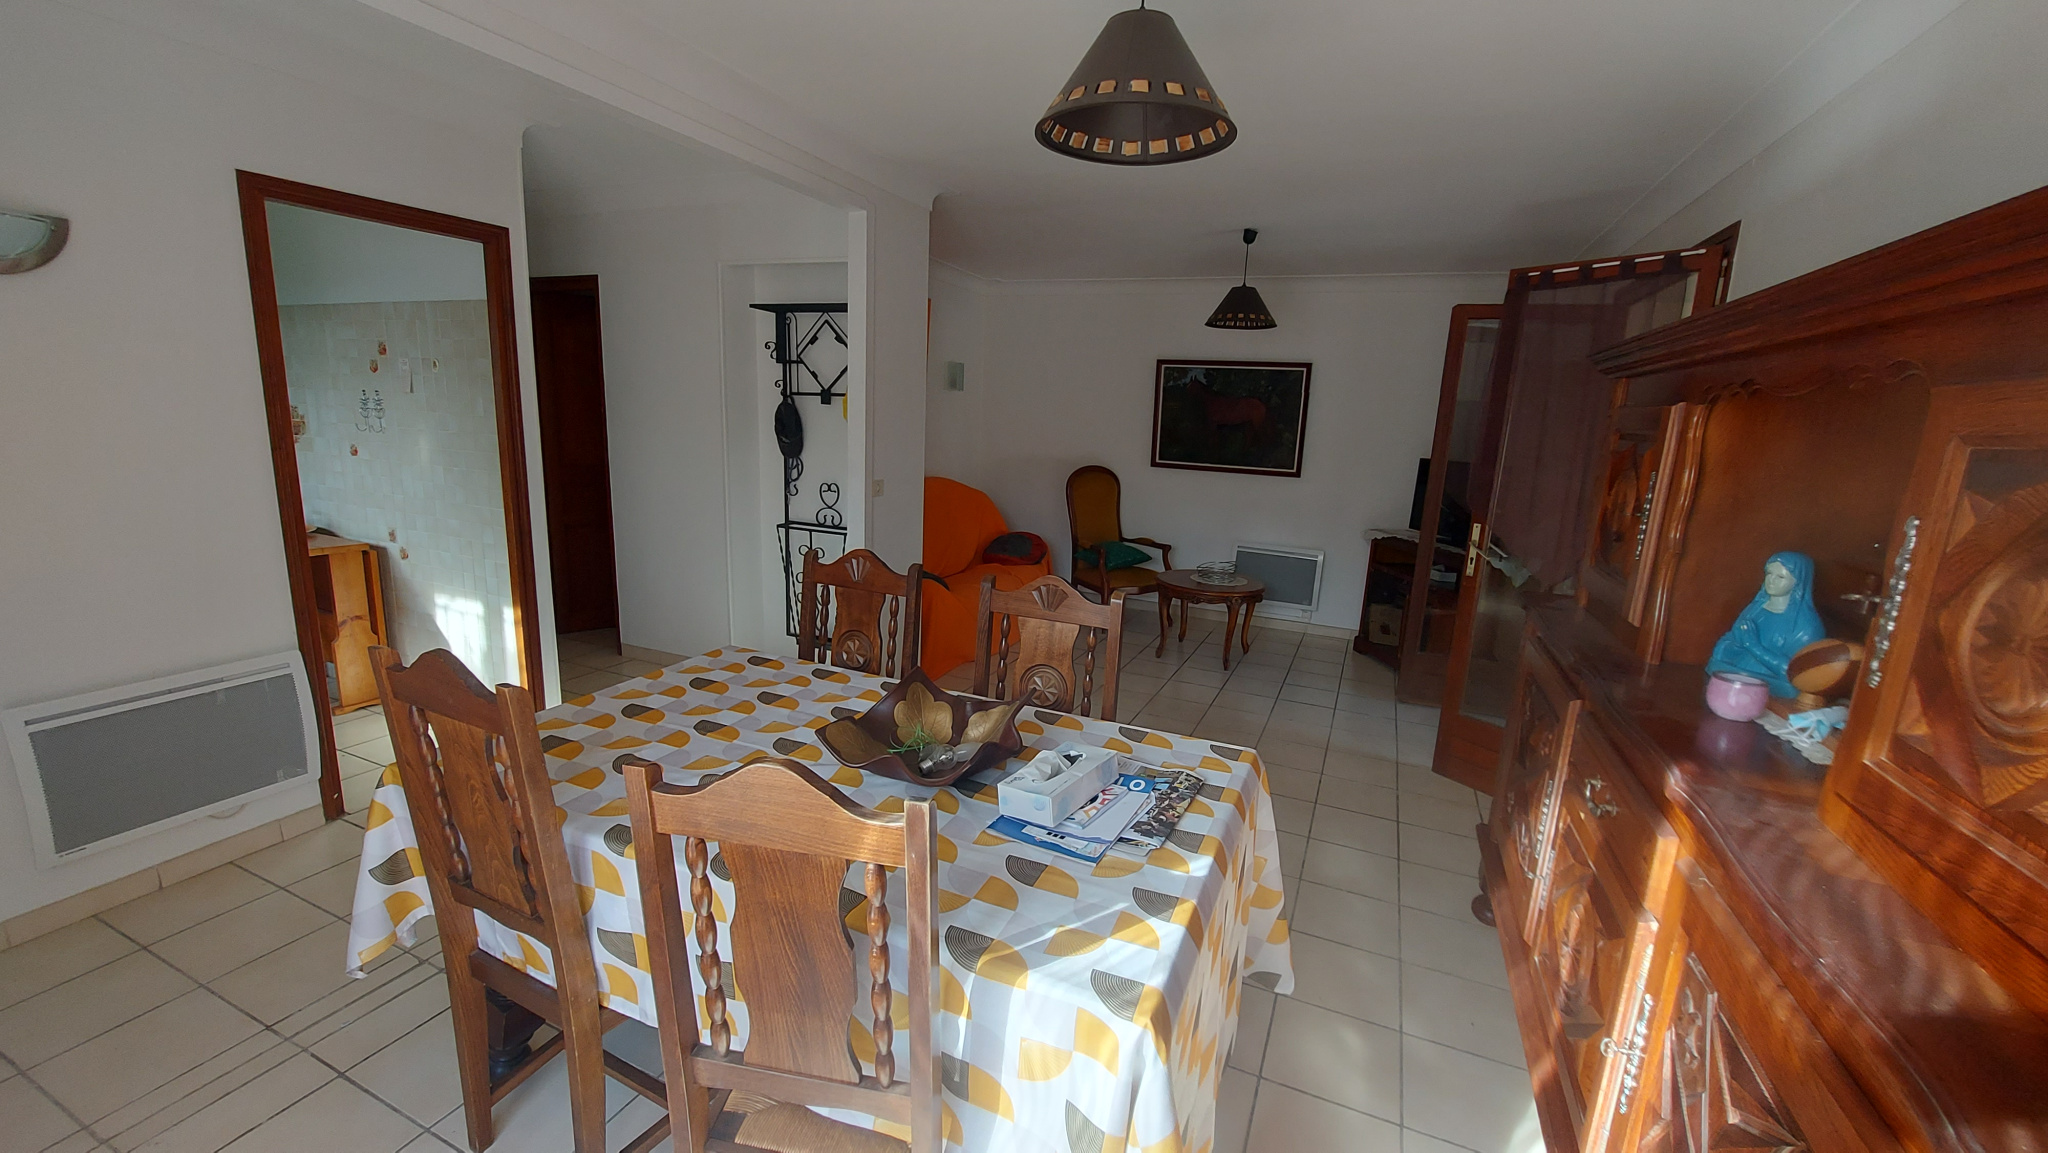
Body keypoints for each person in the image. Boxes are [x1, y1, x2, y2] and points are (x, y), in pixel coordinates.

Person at [1707, 551, 1824, 699]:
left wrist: (1753, 646)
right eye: (1769, 573)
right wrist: (1730, 646)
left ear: (1798, 581)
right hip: (1737, 673)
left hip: (1771, 687)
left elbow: (1797, 671)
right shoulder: (1757, 608)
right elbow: (1733, 639)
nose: (1771, 580)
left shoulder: (1806, 625)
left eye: (1780, 577)